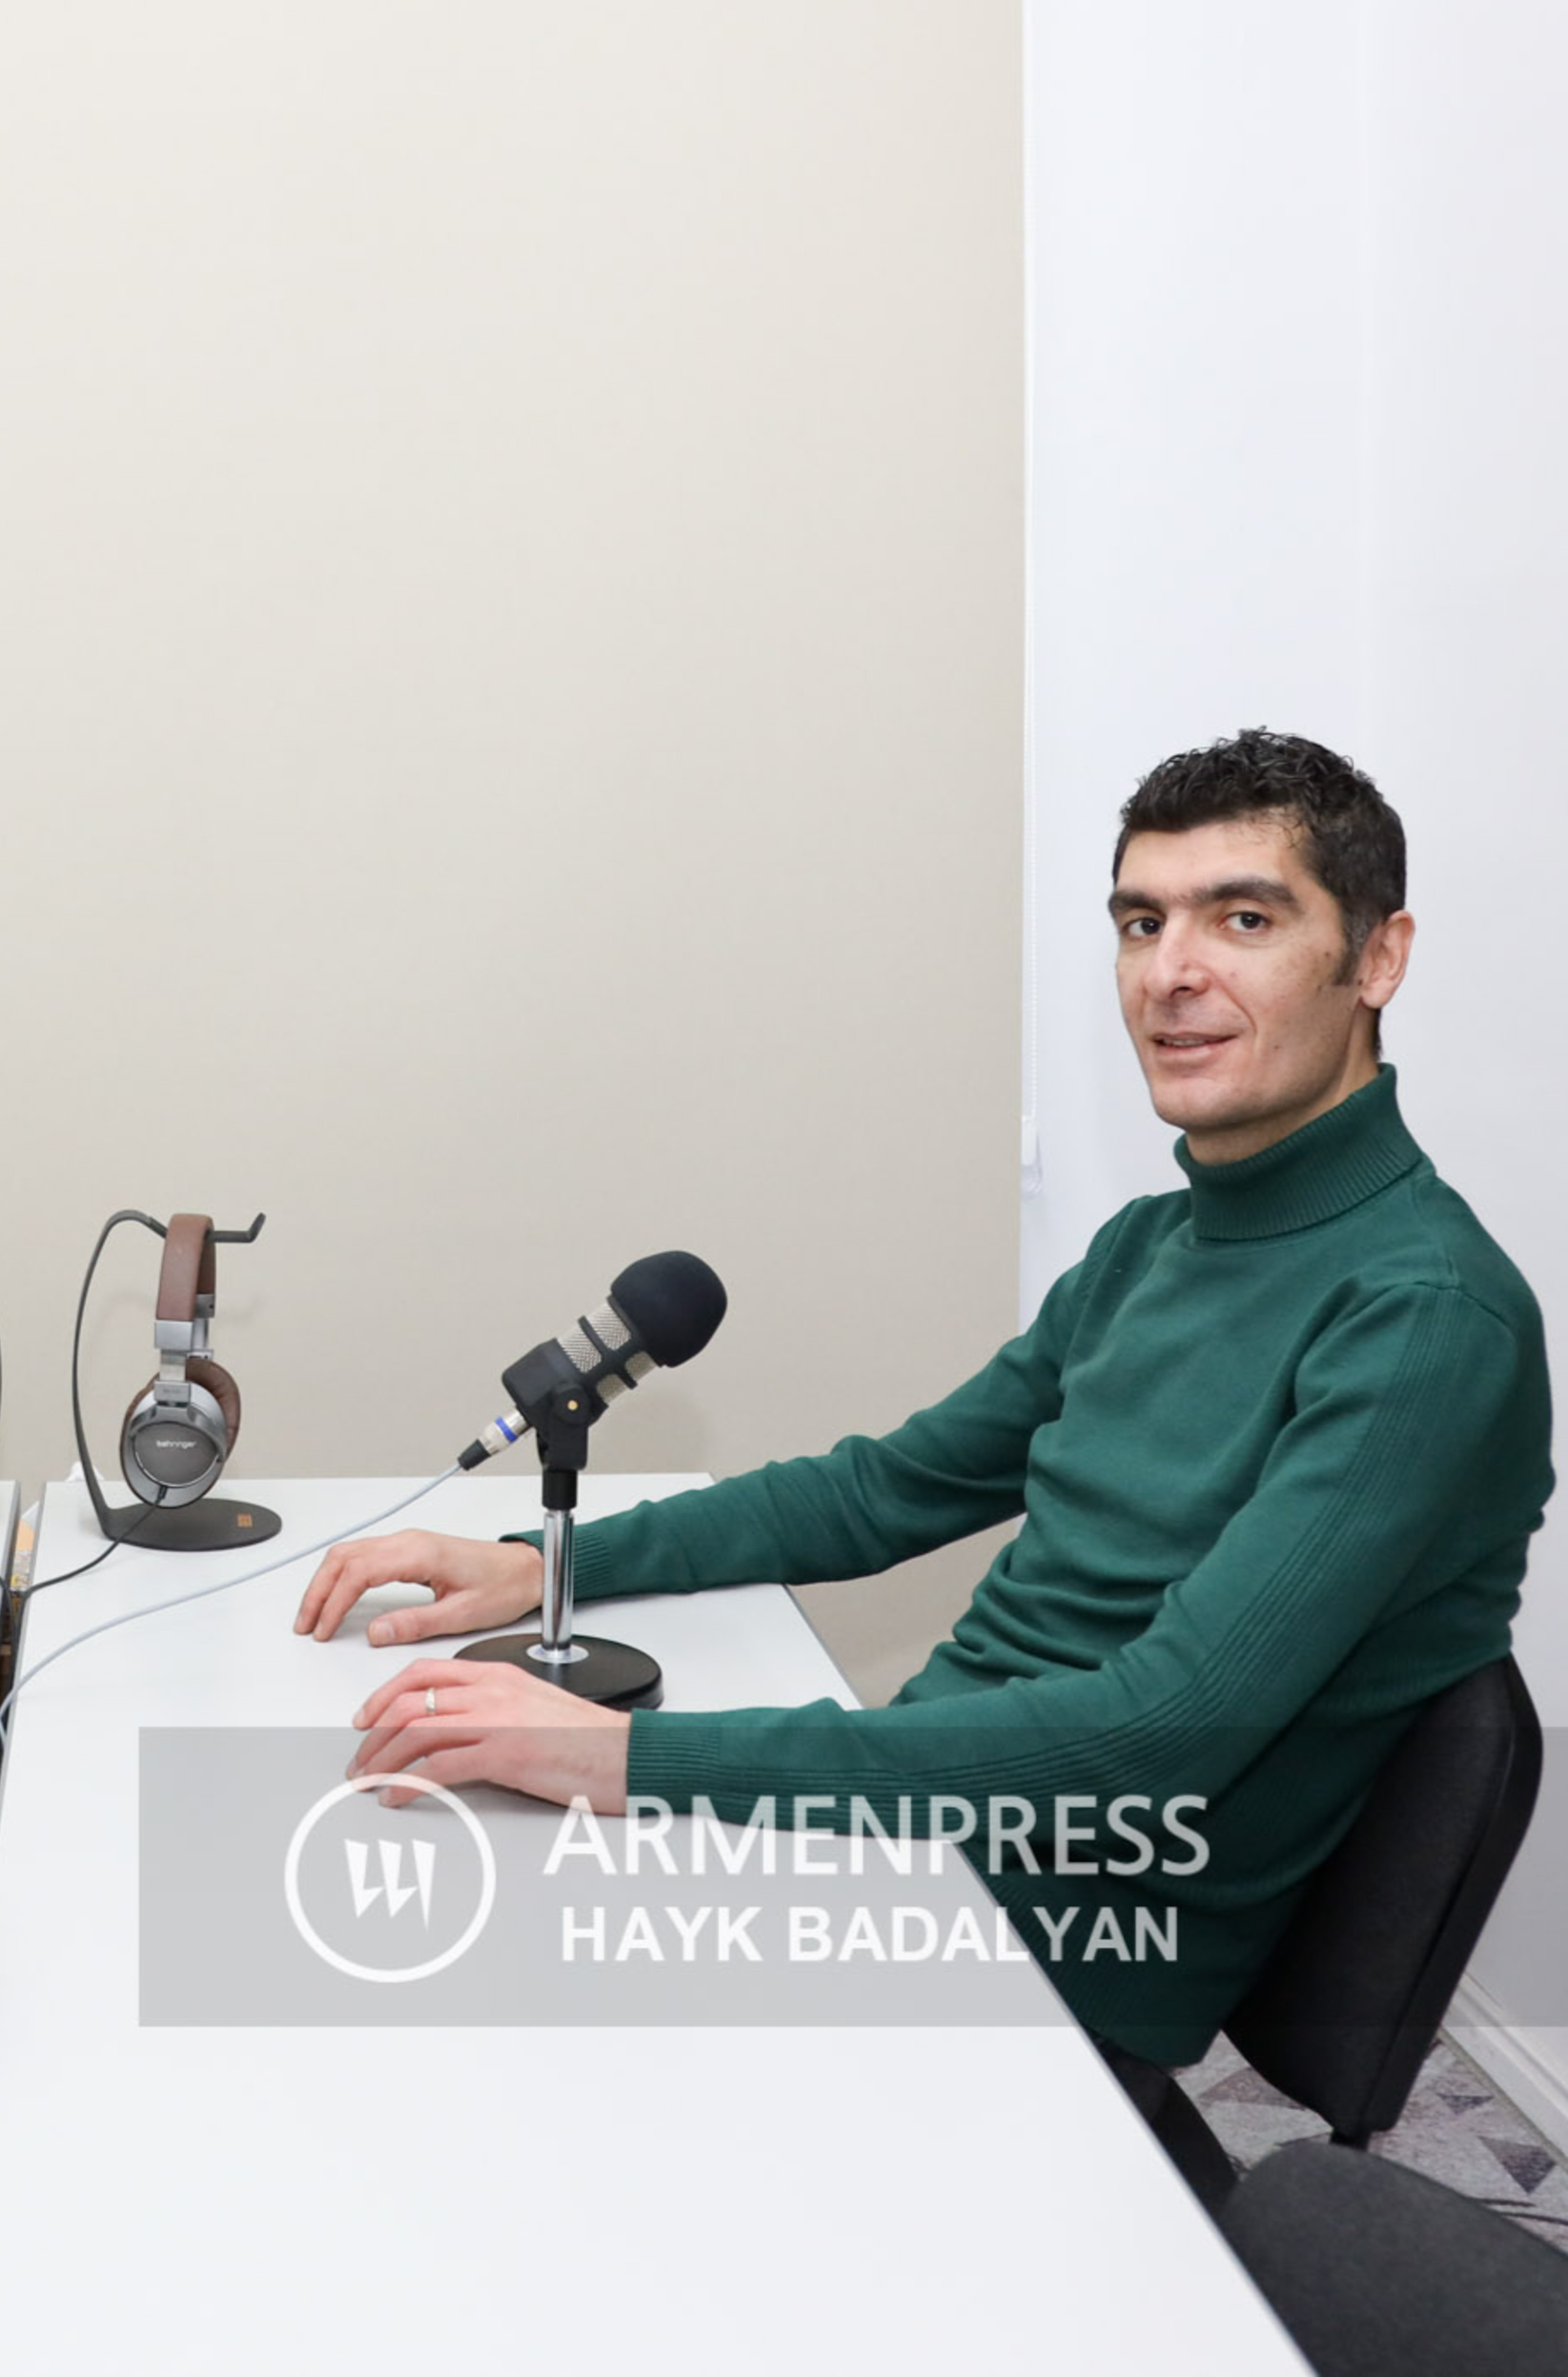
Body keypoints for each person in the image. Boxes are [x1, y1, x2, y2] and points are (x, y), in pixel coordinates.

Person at [296, 731, 1553, 2063]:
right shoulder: (1149, 1246)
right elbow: (885, 1491)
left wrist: (622, 1761)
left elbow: (1151, 1742)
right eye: (1142, 922)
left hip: (1066, 1946)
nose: (1171, 972)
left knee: (428, 1987)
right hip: (932, 1842)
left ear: (1377, 958)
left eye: (1244, 919)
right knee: (388, 1898)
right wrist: (545, 1565)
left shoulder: (1425, 1319)